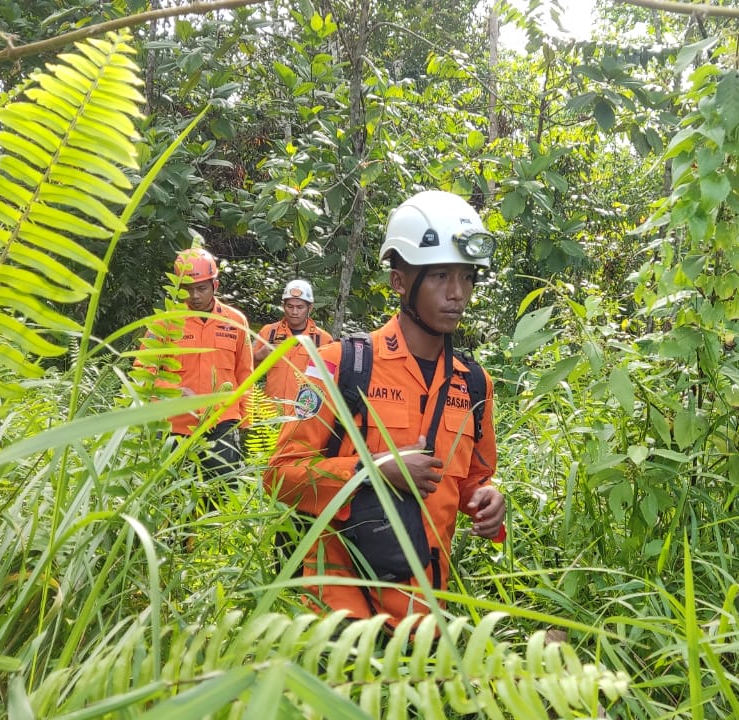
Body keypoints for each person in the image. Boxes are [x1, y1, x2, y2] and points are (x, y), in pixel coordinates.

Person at [264, 190, 506, 628]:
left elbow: (472, 482)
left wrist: (486, 501)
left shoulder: (474, 384)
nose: (458, 294)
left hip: (427, 621)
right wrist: (373, 469)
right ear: (399, 281)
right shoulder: (340, 365)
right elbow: (281, 476)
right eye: (439, 277)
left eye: (467, 277)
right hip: (338, 623)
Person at [139, 246, 253, 480]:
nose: (195, 296)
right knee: (171, 499)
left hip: (222, 423)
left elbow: (245, 375)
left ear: (215, 286)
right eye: (188, 290)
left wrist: (245, 422)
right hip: (175, 425)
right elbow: (143, 370)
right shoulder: (166, 323)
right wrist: (173, 392)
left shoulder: (236, 321)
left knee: (220, 495)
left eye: (201, 288)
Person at [255, 280, 334, 411]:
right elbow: (245, 368)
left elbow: (332, 382)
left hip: (305, 412)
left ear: (310, 308)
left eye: (300, 307)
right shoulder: (268, 332)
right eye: (290, 306)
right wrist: (259, 356)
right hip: (270, 412)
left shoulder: (323, 339)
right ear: (283, 306)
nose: (294, 312)